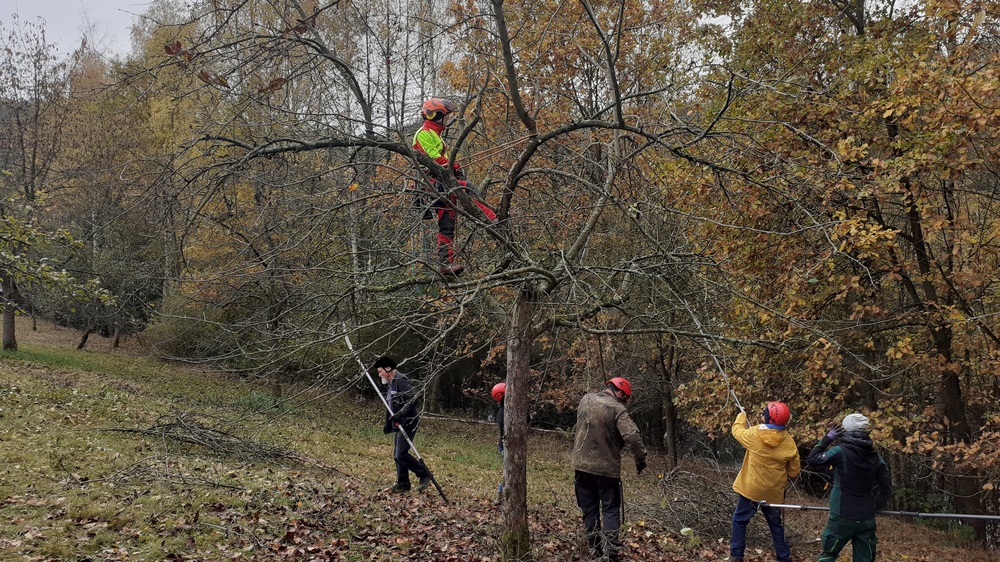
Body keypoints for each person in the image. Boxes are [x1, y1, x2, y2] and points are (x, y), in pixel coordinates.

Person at [412, 97, 497, 276]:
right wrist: (452, 165)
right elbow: (433, 159)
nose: (448, 118)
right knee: (468, 188)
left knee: (447, 223)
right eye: (446, 115)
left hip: (440, 182)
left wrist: (452, 168)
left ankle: (445, 264)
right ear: (437, 116)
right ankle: (491, 219)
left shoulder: (434, 134)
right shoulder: (424, 133)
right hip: (432, 182)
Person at [570, 377, 648, 562]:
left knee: (589, 509)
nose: (624, 402)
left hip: (581, 465)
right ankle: (610, 552)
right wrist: (640, 459)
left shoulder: (585, 399)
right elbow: (632, 436)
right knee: (610, 509)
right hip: (607, 469)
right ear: (620, 393)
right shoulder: (617, 409)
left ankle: (595, 548)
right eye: (625, 398)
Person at [806, 413, 892, 562]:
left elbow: (812, 459)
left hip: (841, 514)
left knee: (828, 555)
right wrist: (876, 505)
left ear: (845, 431)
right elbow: (886, 486)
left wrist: (827, 439)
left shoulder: (839, 452)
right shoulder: (875, 457)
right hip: (866, 516)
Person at [728, 401, 801, 562]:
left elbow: (737, 431)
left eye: (764, 413)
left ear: (768, 418)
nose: (762, 414)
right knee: (776, 526)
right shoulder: (789, 442)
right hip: (774, 493)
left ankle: (736, 556)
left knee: (739, 521)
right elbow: (794, 472)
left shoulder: (754, 435)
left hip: (751, 491)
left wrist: (742, 415)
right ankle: (784, 558)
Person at [373, 356, 431, 493]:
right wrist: (388, 423)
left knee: (401, 454)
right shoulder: (390, 383)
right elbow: (390, 406)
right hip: (399, 423)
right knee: (396, 454)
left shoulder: (400, 380)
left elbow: (413, 399)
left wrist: (402, 414)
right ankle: (403, 483)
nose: (379, 374)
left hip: (408, 421)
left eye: (380, 371)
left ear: (388, 369)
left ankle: (424, 474)